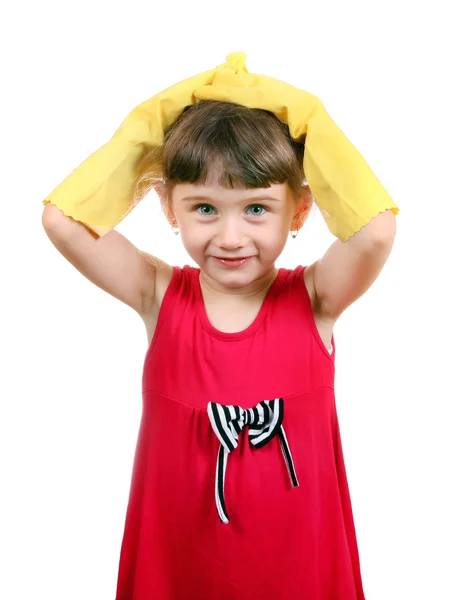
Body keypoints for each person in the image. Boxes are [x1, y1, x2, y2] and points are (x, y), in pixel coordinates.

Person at [42, 53, 398, 599]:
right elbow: (62, 221)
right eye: (204, 208)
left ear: (300, 212)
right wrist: (157, 120)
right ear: (168, 206)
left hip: (296, 570)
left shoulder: (316, 298)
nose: (231, 237)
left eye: (257, 209)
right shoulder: (159, 294)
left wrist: (305, 117)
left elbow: (375, 232)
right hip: (183, 568)